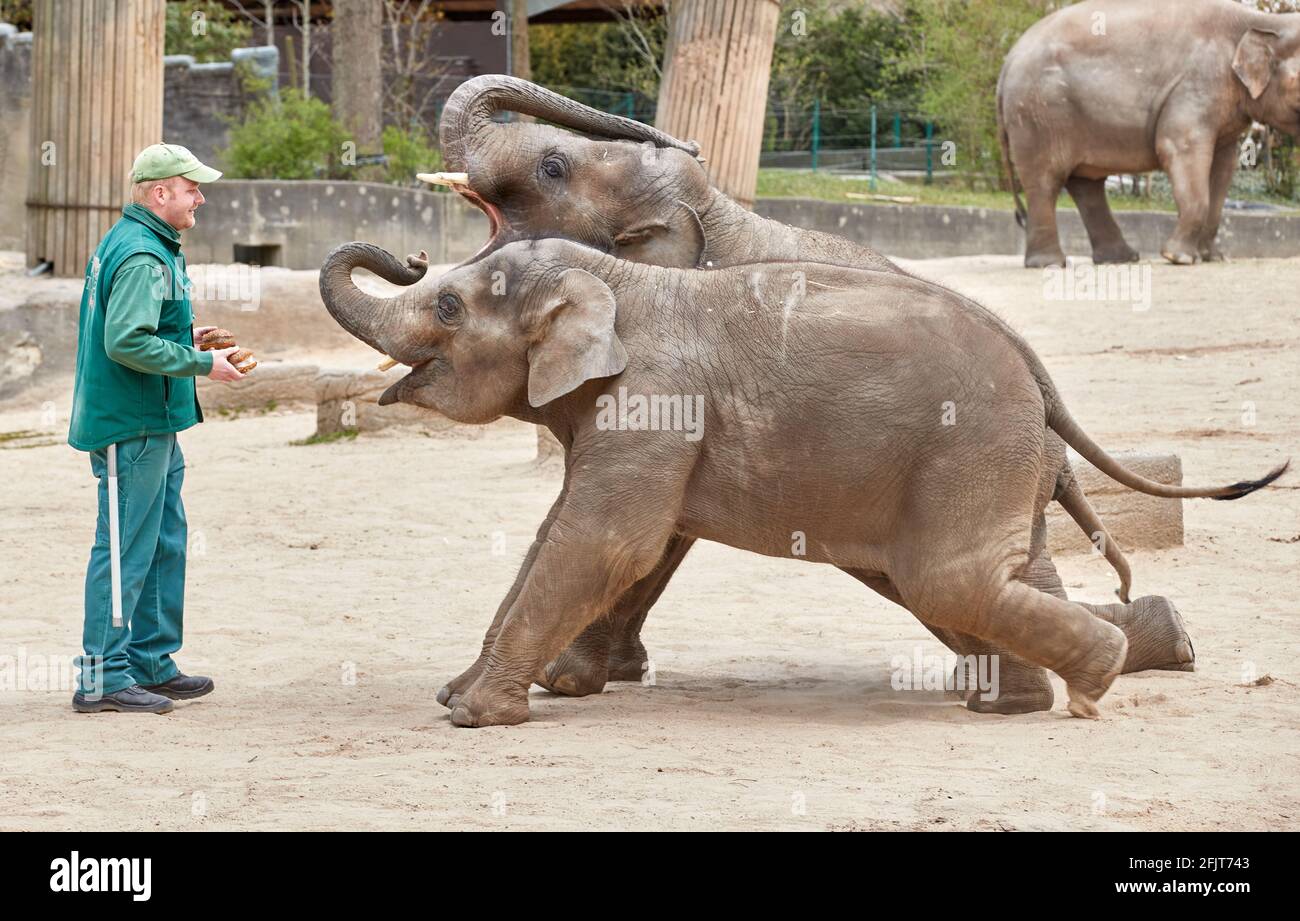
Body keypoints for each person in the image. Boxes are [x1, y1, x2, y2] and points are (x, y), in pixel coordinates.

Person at [66, 143, 244, 714]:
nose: (201, 197)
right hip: (133, 423)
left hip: (155, 420)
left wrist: (188, 340)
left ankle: (149, 661)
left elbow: (139, 329)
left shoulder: (146, 242)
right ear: (160, 192)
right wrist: (201, 365)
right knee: (125, 548)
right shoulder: (144, 253)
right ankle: (102, 679)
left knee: (164, 541)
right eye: (192, 188)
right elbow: (125, 341)